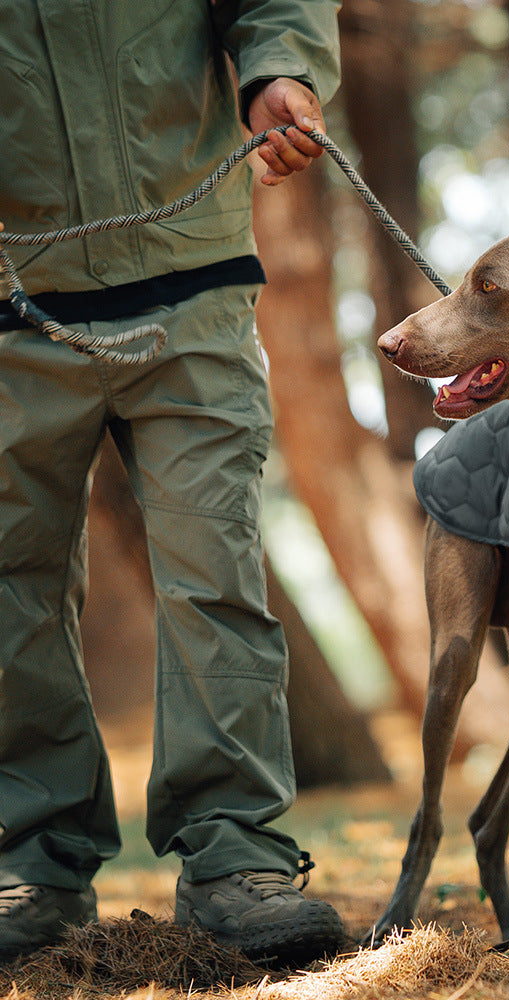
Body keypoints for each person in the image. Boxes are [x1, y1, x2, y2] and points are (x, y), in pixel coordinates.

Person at [0, 0, 346, 966]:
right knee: (6, 592)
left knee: (214, 569)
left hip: (191, 279)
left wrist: (280, 68)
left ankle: (238, 857)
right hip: (7, 298)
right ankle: (29, 865)